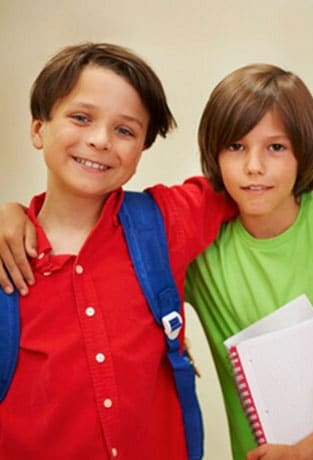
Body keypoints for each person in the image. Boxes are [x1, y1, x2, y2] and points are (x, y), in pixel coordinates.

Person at [0, 42, 236, 459]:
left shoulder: (165, 222)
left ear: (142, 149)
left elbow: (262, 182)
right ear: (38, 129)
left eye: (125, 130)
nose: (100, 140)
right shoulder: (8, 258)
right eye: (81, 118)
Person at [184, 63, 313, 460]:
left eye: (275, 147)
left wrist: (307, 451)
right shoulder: (201, 247)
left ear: (302, 153)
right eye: (235, 146)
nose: (254, 166)